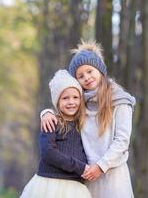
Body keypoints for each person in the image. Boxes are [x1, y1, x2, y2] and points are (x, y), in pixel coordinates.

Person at [40, 40, 136, 198]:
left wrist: (101, 166)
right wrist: (46, 113)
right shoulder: (80, 102)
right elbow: (64, 110)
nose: (87, 77)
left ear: (100, 69)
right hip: (86, 175)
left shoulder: (120, 101)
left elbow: (122, 141)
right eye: (80, 76)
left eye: (90, 71)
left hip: (112, 174)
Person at [20, 70, 92, 198]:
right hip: (49, 184)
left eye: (76, 97)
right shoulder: (51, 121)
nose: (71, 102)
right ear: (57, 101)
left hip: (75, 188)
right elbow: (48, 153)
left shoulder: (82, 123)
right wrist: (80, 167)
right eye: (65, 98)